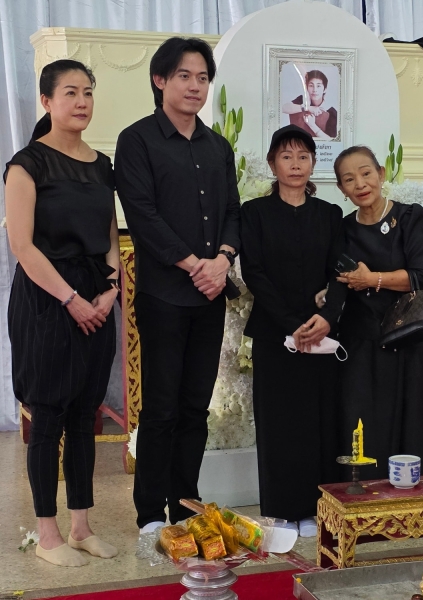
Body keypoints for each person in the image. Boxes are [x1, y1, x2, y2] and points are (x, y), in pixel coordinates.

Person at [115, 38, 241, 533]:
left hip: (210, 295)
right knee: (162, 407)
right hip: (164, 295)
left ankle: (185, 502)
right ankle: (150, 512)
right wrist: (196, 265)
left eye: (202, 78)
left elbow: (232, 211)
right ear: (160, 80)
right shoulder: (137, 140)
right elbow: (142, 215)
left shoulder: (217, 146)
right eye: (184, 76)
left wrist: (222, 260)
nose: (195, 86)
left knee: (196, 407)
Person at [5, 59, 119, 566]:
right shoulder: (27, 164)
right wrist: (70, 299)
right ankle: (47, 534)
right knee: (49, 413)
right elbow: (22, 246)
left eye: (88, 92)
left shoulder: (101, 164)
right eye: (70, 92)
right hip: (46, 299)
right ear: (47, 101)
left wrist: (110, 289)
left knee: (84, 413)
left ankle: (80, 527)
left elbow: (111, 233)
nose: (82, 101)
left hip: (96, 295)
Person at [239, 124, 346, 538]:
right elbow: (255, 273)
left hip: (323, 334)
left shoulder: (330, 214)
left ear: (313, 163)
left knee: (321, 420)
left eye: (303, 156)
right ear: (272, 164)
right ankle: (283, 509)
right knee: (279, 422)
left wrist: (327, 318)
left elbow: (339, 272)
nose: (295, 164)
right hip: (274, 334)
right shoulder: (254, 213)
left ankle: (318, 508)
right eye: (286, 156)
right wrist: (291, 325)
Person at [333, 146, 423, 479]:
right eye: (349, 179)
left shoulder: (411, 218)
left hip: (410, 339)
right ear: (342, 189)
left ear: (380, 173)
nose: (360, 184)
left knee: (412, 423)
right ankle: (364, 498)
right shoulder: (342, 228)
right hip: (360, 341)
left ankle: (408, 497)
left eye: (366, 173)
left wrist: (372, 279)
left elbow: (422, 275)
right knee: (361, 422)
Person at [281, 69, 338, 140]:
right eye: (311, 85)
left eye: (318, 86)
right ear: (306, 87)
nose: (314, 90)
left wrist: (312, 125)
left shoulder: (331, 112)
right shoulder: (302, 100)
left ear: (325, 89)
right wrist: (307, 108)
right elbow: (284, 108)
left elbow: (332, 141)